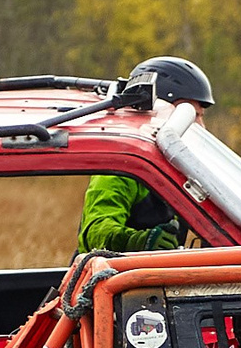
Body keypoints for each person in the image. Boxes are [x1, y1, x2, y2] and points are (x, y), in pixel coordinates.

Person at [77, 56, 218, 254]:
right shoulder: (123, 166)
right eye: (191, 115)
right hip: (115, 280)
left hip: (155, 279)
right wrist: (139, 241)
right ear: (158, 112)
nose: (201, 127)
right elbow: (94, 232)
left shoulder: (182, 167)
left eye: (201, 117)